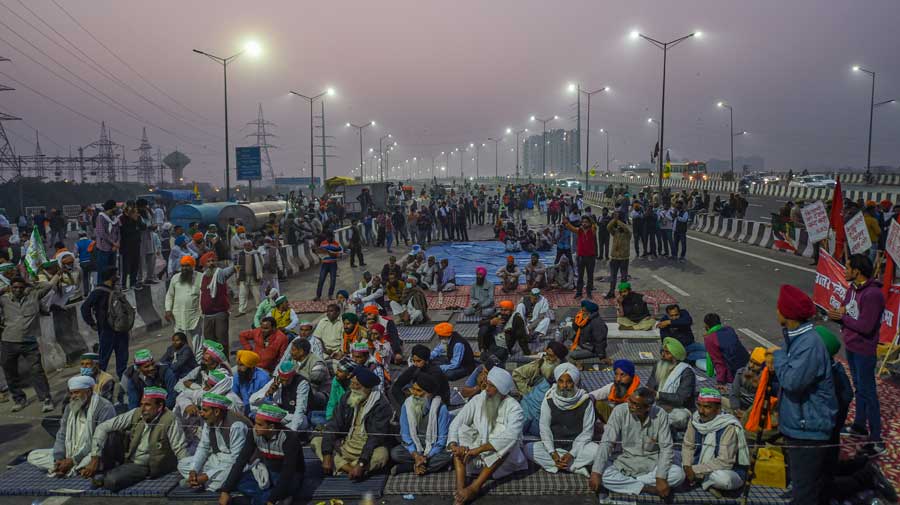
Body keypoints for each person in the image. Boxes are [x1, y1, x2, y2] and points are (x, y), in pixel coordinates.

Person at [769, 284, 837, 505]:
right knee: (810, 484)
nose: (776, 311)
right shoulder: (796, 337)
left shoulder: (809, 344)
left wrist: (777, 358)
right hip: (800, 424)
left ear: (786, 314)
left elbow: (792, 381)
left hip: (809, 429)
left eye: (779, 308)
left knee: (806, 491)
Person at [828, 254, 886, 455]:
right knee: (859, 388)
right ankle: (860, 426)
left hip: (864, 350)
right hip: (851, 346)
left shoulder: (873, 295)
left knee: (869, 393)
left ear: (857, 271)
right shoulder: (853, 289)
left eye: (847, 268)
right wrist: (837, 313)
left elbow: (866, 326)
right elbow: (846, 309)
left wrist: (842, 319)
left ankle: (877, 440)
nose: (844, 271)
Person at [81, 386, 188, 492]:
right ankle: (106, 470)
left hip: (146, 464)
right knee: (110, 435)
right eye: (142, 404)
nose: (143, 409)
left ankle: (106, 477)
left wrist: (187, 474)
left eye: (147, 405)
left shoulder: (170, 419)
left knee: (112, 481)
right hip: (129, 456)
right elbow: (102, 427)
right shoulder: (136, 413)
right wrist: (95, 457)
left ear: (160, 406)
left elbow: (180, 448)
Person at [448, 367, 527, 505]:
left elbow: (510, 436)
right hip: (473, 454)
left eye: (492, 386)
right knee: (461, 431)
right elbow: (456, 423)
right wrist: (454, 445)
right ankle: (460, 489)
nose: (486, 388)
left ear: (502, 390)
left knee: (507, 444)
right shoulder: (478, 399)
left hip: (499, 461)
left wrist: (479, 450)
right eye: (487, 384)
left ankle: (474, 487)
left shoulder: (514, 408)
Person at [588, 387, 684, 497]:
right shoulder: (620, 411)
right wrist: (596, 472)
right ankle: (646, 488)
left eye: (635, 404)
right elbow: (607, 442)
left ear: (647, 407)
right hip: (625, 463)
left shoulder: (660, 415)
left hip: (652, 465)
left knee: (678, 475)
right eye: (630, 400)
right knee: (602, 474)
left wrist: (660, 477)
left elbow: (666, 448)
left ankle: (630, 483)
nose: (630, 405)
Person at [311, 366, 392, 479]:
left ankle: (342, 467)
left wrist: (362, 463)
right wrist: (327, 455)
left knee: (382, 455)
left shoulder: (382, 405)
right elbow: (334, 425)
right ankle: (349, 469)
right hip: (345, 445)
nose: (352, 387)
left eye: (356, 385)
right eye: (351, 383)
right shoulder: (348, 397)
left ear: (367, 388)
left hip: (367, 451)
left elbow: (375, 438)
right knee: (317, 441)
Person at [27, 375, 117, 476]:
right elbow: (62, 433)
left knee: (94, 460)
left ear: (89, 391)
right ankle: (63, 466)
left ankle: (69, 467)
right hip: (72, 450)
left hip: (94, 450)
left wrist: (73, 460)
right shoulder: (70, 407)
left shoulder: (104, 407)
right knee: (33, 455)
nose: (73, 396)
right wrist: (59, 458)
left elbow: (99, 441)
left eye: (77, 392)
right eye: (71, 393)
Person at [220, 404, 306, 505]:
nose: (255, 427)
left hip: (289, 476)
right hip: (268, 471)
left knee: (272, 494)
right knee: (238, 481)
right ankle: (272, 497)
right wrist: (225, 491)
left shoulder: (289, 439)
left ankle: (271, 497)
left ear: (271, 427)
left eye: (260, 425)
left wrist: (271, 501)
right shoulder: (254, 433)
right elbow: (241, 461)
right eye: (255, 423)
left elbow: (287, 473)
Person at [526, 363, 597, 477]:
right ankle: (574, 467)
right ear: (557, 382)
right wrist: (552, 452)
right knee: (528, 449)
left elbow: (587, 432)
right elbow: (544, 428)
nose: (564, 385)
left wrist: (572, 454)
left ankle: (561, 465)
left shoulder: (585, 401)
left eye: (569, 382)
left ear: (575, 383)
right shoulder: (549, 398)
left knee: (597, 452)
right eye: (561, 381)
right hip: (554, 447)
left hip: (577, 447)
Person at [2, 273, 60, 412]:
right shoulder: (4, 300)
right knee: (10, 372)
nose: (18, 290)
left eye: (21, 287)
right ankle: (18, 399)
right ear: (11, 288)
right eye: (15, 287)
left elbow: (48, 285)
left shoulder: (33, 296)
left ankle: (46, 398)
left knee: (36, 371)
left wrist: (29, 283)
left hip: (29, 342)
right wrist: (4, 289)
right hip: (9, 341)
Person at [681, 388, 751, 497]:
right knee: (672, 465)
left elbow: (725, 462)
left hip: (726, 470)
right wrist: (686, 466)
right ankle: (704, 482)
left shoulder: (728, 426)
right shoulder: (695, 420)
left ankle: (703, 480)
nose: (701, 411)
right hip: (697, 464)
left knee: (723, 480)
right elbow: (688, 445)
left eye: (707, 407)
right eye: (699, 405)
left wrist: (693, 470)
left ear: (718, 409)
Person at [178, 392, 251, 493]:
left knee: (228, 475)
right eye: (201, 409)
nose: (201, 413)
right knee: (183, 464)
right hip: (217, 458)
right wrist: (193, 470)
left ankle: (205, 482)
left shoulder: (236, 425)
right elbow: (203, 447)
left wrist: (208, 475)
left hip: (236, 462)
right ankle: (201, 481)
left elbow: (237, 460)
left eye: (204, 410)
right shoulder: (210, 421)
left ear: (216, 412)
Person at [391, 373, 453, 475]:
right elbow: (405, 435)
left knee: (449, 455)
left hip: (434, 449)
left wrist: (426, 456)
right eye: (413, 389)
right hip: (416, 447)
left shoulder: (441, 409)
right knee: (395, 453)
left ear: (430, 394)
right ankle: (424, 466)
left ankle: (411, 467)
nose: (414, 393)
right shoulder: (407, 405)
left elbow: (442, 440)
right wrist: (416, 455)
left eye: (419, 391)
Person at [249, 360, 316, 432]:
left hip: (294, 415)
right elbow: (252, 401)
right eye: (282, 380)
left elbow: (300, 409)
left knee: (302, 420)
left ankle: (281, 432)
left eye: (286, 380)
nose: (283, 383)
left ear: (292, 376)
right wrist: (267, 393)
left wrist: (291, 432)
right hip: (281, 413)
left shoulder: (302, 383)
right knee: (254, 407)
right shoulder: (278, 379)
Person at [646, 337, 695, 431]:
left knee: (680, 418)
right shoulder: (658, 366)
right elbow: (650, 387)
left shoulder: (686, 372)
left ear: (676, 356)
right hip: (658, 405)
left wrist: (658, 395)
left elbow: (681, 399)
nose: (663, 355)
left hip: (678, 409)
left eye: (667, 353)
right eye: (663, 352)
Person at [389, 344, 451, 411]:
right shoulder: (415, 368)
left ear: (426, 360)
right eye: (414, 361)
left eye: (419, 361)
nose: (415, 364)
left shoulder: (436, 372)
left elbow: (439, 394)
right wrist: (406, 406)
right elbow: (396, 386)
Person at [200, 254, 237, 355]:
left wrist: (234, 267)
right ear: (204, 264)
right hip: (207, 316)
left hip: (220, 314)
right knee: (209, 343)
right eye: (208, 261)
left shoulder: (219, 273)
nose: (211, 263)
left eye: (213, 261)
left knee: (222, 342)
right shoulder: (202, 277)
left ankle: (224, 365)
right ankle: (213, 365)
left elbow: (229, 270)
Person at [164, 256, 203, 354]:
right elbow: (169, 295)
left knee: (197, 342)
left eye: (187, 266)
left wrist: (203, 312)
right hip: (178, 316)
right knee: (179, 342)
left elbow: (203, 296)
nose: (184, 268)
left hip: (194, 315)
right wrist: (168, 309)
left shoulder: (200, 277)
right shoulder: (175, 278)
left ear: (193, 266)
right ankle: (183, 361)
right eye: (183, 266)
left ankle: (198, 365)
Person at [703, 313, 750, 386]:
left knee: (698, 361)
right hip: (746, 365)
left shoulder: (710, 339)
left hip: (733, 373)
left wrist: (720, 381)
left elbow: (718, 361)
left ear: (706, 325)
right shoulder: (729, 329)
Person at [477, 299, 529, 363]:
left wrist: (527, 353)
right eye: (502, 310)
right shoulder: (498, 315)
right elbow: (480, 323)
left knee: (495, 357)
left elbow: (521, 337)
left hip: (504, 345)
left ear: (511, 311)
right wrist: (490, 322)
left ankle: (487, 356)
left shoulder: (516, 318)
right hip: (493, 342)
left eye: (506, 310)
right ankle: (483, 351)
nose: (503, 312)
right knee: (484, 328)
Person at [564, 215, 598, 299]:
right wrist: (567, 223)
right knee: (580, 276)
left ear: (589, 223)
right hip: (581, 257)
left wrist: (592, 222)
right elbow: (572, 228)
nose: (584, 223)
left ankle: (589, 293)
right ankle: (579, 293)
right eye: (583, 222)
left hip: (590, 257)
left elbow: (594, 226)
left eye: (586, 222)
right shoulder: (579, 230)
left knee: (590, 276)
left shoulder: (592, 230)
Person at [727, 347, 767, 418]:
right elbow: (734, 393)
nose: (751, 366)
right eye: (751, 361)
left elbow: (760, 402)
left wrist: (748, 414)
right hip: (739, 406)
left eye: (757, 364)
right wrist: (736, 408)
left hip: (754, 410)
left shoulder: (765, 380)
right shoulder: (740, 373)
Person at [232, 350, 270, 416]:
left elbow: (267, 401)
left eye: (241, 365)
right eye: (238, 365)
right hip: (243, 413)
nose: (238, 368)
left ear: (251, 367)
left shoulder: (263, 378)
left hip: (260, 414)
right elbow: (233, 395)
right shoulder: (238, 376)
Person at [605, 212, 632, 299]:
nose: (619, 227)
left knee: (624, 278)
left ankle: (624, 294)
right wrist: (614, 220)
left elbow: (626, 228)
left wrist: (619, 221)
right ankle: (611, 292)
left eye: (620, 225)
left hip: (624, 258)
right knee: (613, 277)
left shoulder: (627, 233)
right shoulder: (615, 232)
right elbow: (608, 227)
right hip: (614, 258)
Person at [93, 200, 120, 284]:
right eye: (115, 207)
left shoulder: (115, 218)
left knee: (112, 271)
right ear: (111, 208)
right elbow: (102, 233)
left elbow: (118, 232)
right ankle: (101, 289)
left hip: (113, 249)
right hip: (103, 248)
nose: (117, 208)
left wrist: (117, 243)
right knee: (103, 271)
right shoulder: (101, 217)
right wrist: (113, 243)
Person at [323, 357, 356, 423]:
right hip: (338, 414)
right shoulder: (336, 380)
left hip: (350, 417)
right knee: (312, 416)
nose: (336, 373)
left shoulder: (355, 385)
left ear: (349, 375)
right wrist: (329, 419)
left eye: (340, 371)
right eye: (337, 369)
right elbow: (332, 402)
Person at [235, 240, 262, 315]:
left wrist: (260, 275)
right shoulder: (240, 254)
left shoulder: (256, 253)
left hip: (254, 276)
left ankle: (259, 308)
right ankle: (242, 310)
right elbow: (238, 266)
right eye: (246, 245)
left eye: (249, 245)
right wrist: (237, 277)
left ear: (251, 245)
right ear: (244, 246)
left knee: (257, 294)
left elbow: (261, 264)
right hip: (244, 277)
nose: (247, 246)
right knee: (242, 294)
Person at [314, 231, 343, 301]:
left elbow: (340, 254)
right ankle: (318, 296)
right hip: (324, 263)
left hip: (333, 264)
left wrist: (331, 253)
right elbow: (319, 253)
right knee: (321, 280)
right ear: (327, 237)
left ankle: (330, 295)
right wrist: (316, 251)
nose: (332, 238)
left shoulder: (336, 244)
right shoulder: (323, 243)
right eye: (331, 237)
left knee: (333, 280)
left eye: (332, 237)